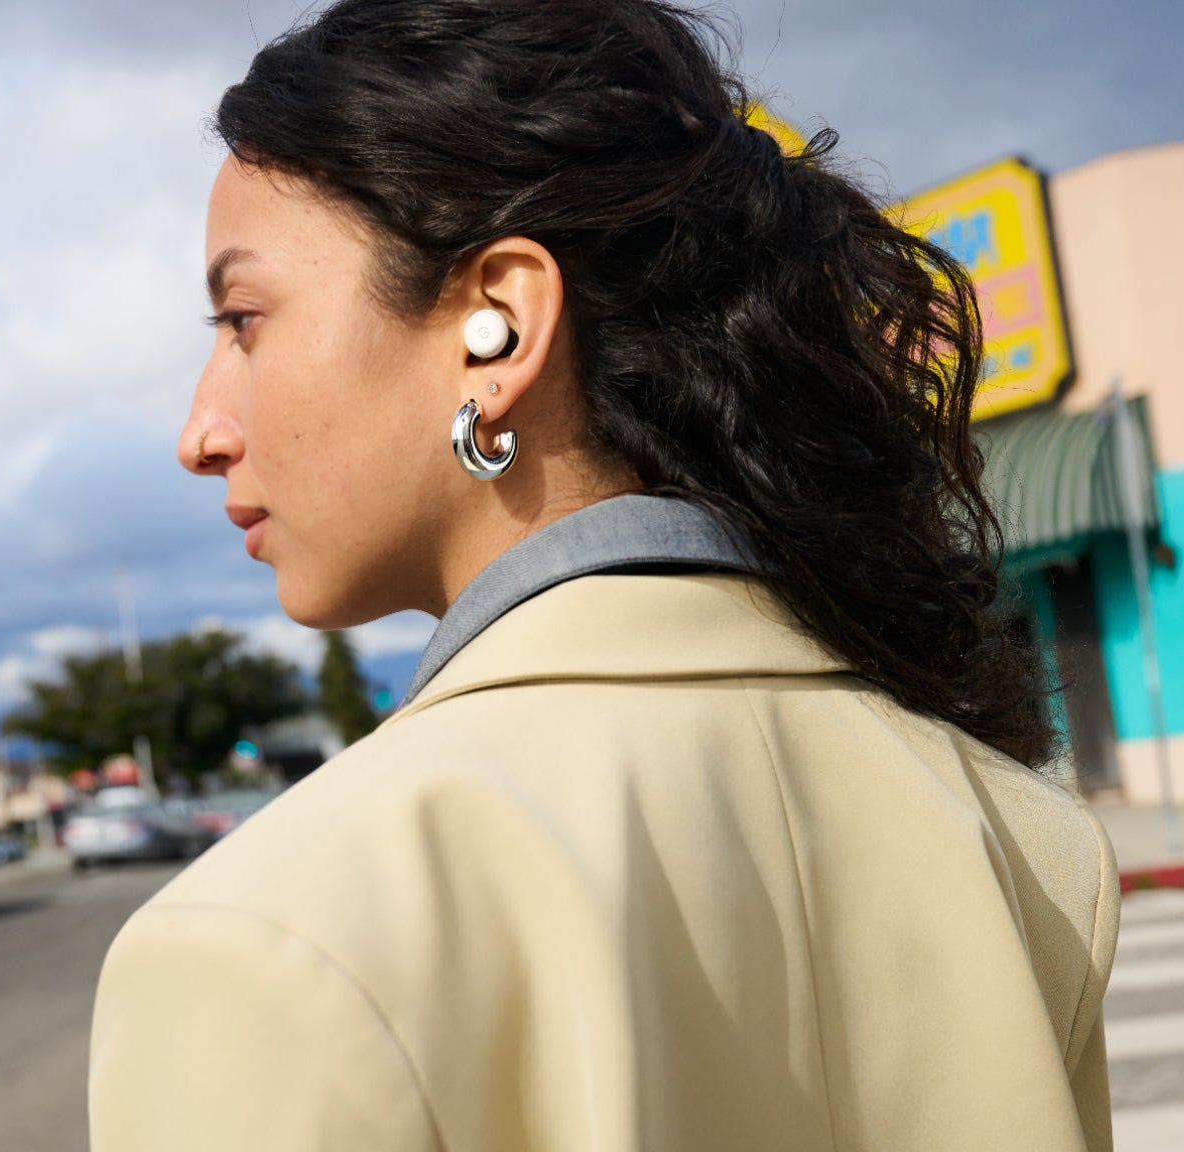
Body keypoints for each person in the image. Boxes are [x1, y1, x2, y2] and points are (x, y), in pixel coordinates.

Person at [89, 0, 1118, 1148]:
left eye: (242, 319)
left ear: (494, 327)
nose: (201, 430)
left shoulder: (264, 932)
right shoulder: (1012, 829)